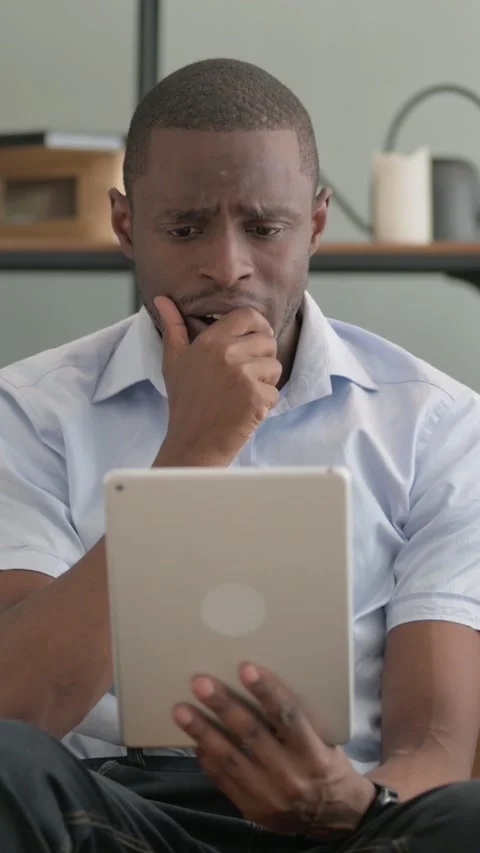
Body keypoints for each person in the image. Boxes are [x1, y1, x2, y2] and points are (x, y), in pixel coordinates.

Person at [0, 57, 479, 853]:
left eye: (265, 227)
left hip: (348, 815)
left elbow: (435, 748)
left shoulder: (438, 424)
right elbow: (19, 707)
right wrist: (191, 452)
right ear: (126, 224)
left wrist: (353, 800)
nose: (227, 266)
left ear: (317, 223)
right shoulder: (27, 410)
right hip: (111, 811)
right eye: (185, 228)